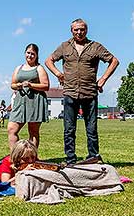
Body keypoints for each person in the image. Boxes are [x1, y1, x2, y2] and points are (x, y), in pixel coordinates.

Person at [45, 18, 119, 164]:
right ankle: (70, 159)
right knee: (69, 129)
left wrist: (103, 79)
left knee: (91, 129)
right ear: (71, 31)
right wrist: (59, 74)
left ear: (87, 30)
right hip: (70, 92)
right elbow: (49, 61)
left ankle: (93, 157)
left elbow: (114, 61)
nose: (79, 32)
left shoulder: (95, 47)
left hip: (89, 93)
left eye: (82, 29)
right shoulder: (64, 46)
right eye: (76, 30)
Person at [8, 43, 49, 151]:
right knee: (12, 129)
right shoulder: (19, 68)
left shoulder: (39, 68)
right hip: (20, 101)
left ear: (36, 55)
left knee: (33, 131)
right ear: (25, 53)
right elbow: (12, 84)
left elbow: (46, 86)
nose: (30, 56)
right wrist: (17, 85)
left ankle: (32, 158)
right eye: (28, 53)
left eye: (33, 54)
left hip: (35, 101)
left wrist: (31, 85)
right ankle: (15, 157)